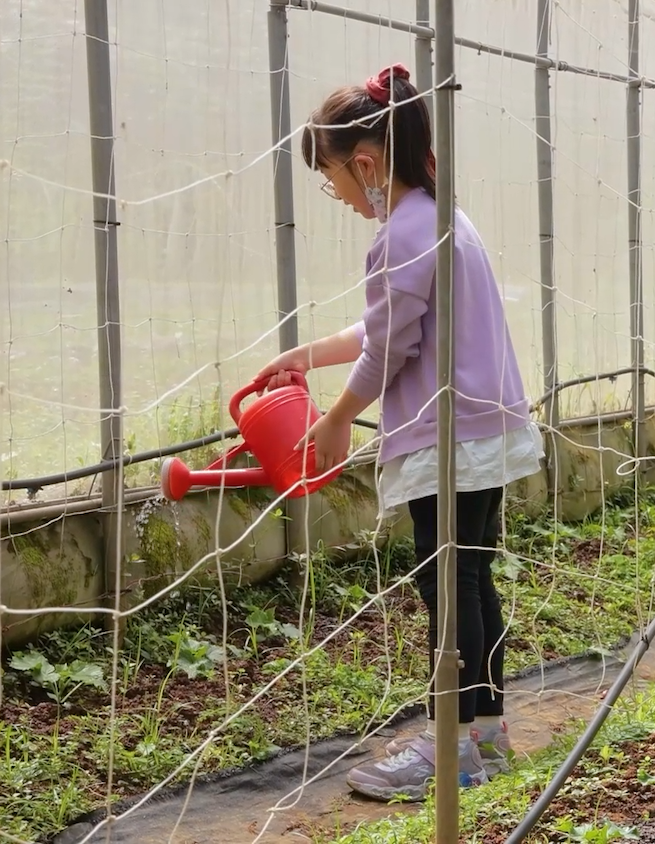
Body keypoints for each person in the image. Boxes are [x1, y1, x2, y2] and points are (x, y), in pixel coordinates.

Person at [254, 63, 542, 802]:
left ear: (366, 163)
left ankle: (456, 749)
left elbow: (391, 348)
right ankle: (487, 735)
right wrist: (309, 354)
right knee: (468, 578)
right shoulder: (445, 217)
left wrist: (335, 418)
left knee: (444, 582)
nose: (339, 198)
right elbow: (391, 322)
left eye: (333, 180)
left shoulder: (399, 233)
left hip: (448, 438)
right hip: (484, 428)